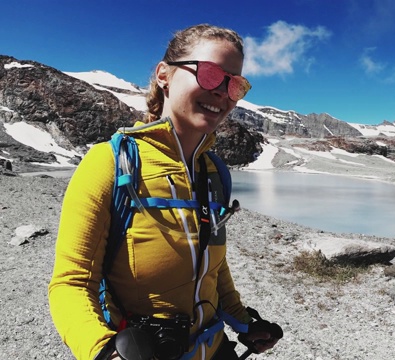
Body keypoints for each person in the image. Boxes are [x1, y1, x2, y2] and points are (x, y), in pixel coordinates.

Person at [48, 24, 280, 360]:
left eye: (235, 84)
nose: (222, 92)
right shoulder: (110, 163)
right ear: (164, 75)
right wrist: (101, 351)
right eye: (212, 74)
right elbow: (71, 283)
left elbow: (212, 267)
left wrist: (244, 322)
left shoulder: (214, 172)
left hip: (215, 350)